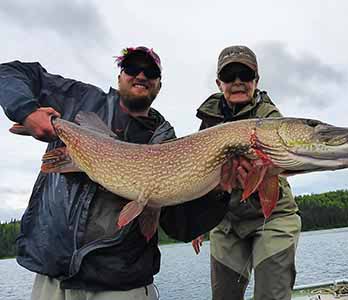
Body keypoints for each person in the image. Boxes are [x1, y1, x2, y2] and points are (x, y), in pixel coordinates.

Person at [0, 47, 231, 300]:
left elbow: (180, 227)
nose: (141, 75)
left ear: (159, 84)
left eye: (150, 71)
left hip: (122, 286)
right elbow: (10, 72)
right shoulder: (80, 99)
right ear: (120, 75)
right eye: (132, 67)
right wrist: (27, 110)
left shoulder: (165, 140)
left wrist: (220, 190)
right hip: (52, 280)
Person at [191, 45, 302, 300]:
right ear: (219, 83)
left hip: (272, 216)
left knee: (271, 295)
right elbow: (198, 171)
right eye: (230, 76)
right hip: (227, 219)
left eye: (245, 75)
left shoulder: (270, 117)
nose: (238, 82)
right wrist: (198, 221)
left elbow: (283, 164)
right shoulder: (209, 119)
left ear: (256, 81)